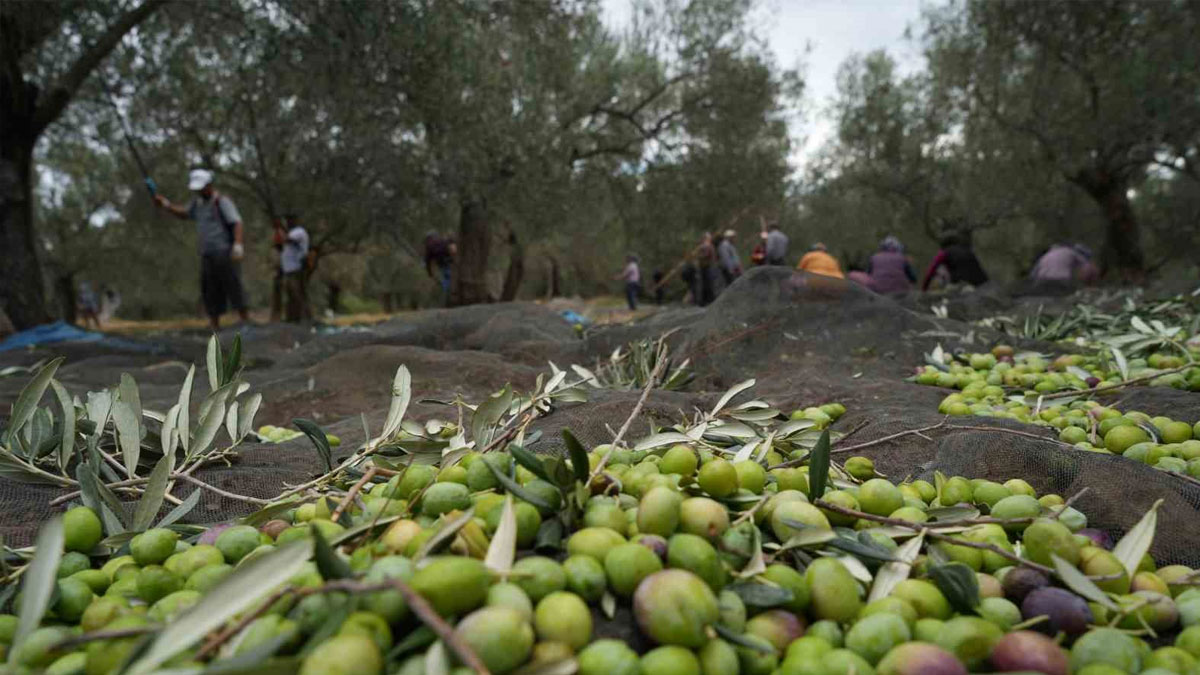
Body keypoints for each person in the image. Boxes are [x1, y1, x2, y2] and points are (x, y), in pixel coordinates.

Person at [154, 169, 249, 331]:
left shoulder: (221, 201)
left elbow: (236, 222)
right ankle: (214, 323)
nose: (199, 191)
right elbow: (184, 213)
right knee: (210, 288)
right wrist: (166, 205)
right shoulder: (197, 203)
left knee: (232, 284)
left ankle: (244, 319)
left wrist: (238, 244)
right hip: (207, 252)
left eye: (201, 188)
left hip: (224, 250)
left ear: (209, 185)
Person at [921, 233, 988, 291]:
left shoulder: (944, 253)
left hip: (960, 283)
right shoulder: (968, 251)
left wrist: (924, 287)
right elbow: (978, 267)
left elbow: (931, 270)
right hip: (980, 283)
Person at [278, 213, 311, 322]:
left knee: (296, 293)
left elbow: (289, 240)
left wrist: (280, 230)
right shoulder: (292, 232)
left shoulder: (299, 231)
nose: (288, 222)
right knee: (292, 294)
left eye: (290, 220)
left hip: (296, 268)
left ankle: (303, 318)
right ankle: (293, 319)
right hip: (290, 269)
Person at [424, 231, 455, 306]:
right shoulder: (442, 240)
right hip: (450, 261)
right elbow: (451, 242)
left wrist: (430, 274)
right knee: (448, 278)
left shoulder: (429, 247)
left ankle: (447, 294)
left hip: (443, 264)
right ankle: (449, 294)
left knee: (447, 278)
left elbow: (428, 261)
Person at [696, 232, 718, 306]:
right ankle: (706, 300)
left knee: (708, 283)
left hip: (708, 266)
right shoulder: (704, 246)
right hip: (705, 267)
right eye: (708, 238)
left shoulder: (707, 246)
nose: (710, 239)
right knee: (707, 284)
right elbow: (703, 256)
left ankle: (707, 300)